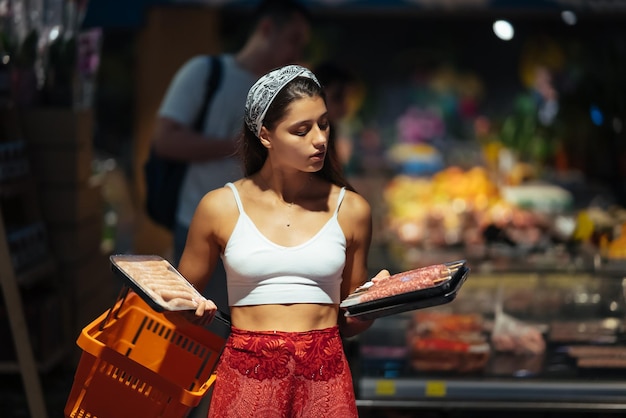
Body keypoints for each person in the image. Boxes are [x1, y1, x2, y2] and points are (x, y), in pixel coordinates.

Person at [174, 65, 390, 417]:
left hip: (326, 379)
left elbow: (348, 323)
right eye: (301, 130)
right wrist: (191, 311)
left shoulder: (351, 209)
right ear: (266, 135)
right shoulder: (220, 207)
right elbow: (178, 305)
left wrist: (376, 304)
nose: (319, 139)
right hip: (247, 377)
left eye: (323, 124)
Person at [153, 0, 312, 313]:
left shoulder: (286, 92)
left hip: (267, 232)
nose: (296, 53)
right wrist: (241, 146)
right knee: (204, 325)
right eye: (293, 40)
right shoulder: (206, 73)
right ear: (266, 29)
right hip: (202, 226)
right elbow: (165, 141)